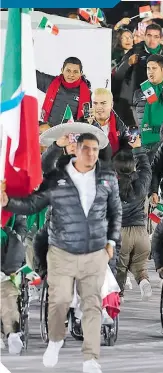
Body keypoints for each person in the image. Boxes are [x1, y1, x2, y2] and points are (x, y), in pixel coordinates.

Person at [1, 133, 122, 373]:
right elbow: (35, 201)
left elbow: (115, 211)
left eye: (95, 149)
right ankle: (56, 340)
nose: (91, 154)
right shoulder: (57, 179)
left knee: (92, 305)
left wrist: (111, 243)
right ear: (75, 150)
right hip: (62, 251)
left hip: (94, 251)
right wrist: (7, 203)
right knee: (60, 301)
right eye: (85, 148)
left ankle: (90, 359)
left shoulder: (107, 178)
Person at [113, 136, 153, 303]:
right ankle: (143, 281)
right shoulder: (140, 182)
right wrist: (138, 149)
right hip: (141, 232)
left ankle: (119, 295)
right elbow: (146, 169)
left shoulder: (111, 184)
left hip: (121, 232)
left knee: (119, 268)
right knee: (139, 266)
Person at [132, 54, 163, 161]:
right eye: (148, 68)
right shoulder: (139, 92)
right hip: (144, 144)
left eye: (154, 68)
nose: (150, 72)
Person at [37, 57, 92, 126]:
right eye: (68, 71)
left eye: (75, 72)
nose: (71, 75)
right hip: (48, 131)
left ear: (81, 73)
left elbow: (86, 119)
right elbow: (30, 74)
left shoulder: (87, 95)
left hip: (70, 134)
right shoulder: (51, 82)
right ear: (62, 70)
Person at [1, 215, 27, 355]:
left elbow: (21, 229)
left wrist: (8, 231)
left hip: (6, 270)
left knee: (7, 296)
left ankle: (12, 333)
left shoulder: (14, 207)